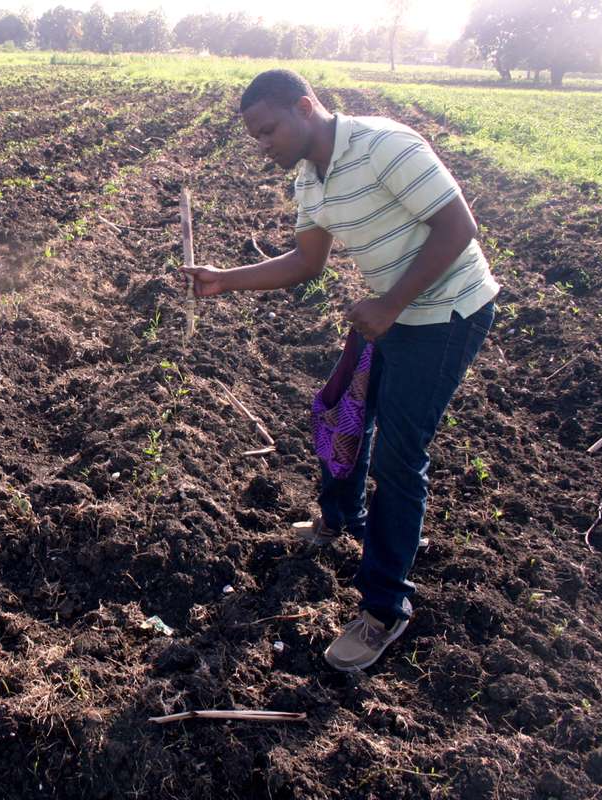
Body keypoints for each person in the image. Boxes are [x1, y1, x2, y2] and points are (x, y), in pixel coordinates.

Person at [181, 69, 499, 672]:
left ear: (306, 108)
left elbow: (459, 229)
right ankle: (339, 518)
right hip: (391, 312)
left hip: (448, 313)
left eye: (269, 130)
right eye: (255, 135)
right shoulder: (311, 179)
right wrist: (225, 280)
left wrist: (390, 304)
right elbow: (306, 261)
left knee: (399, 460)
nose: (263, 144)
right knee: (339, 411)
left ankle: (385, 609)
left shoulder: (386, 145)